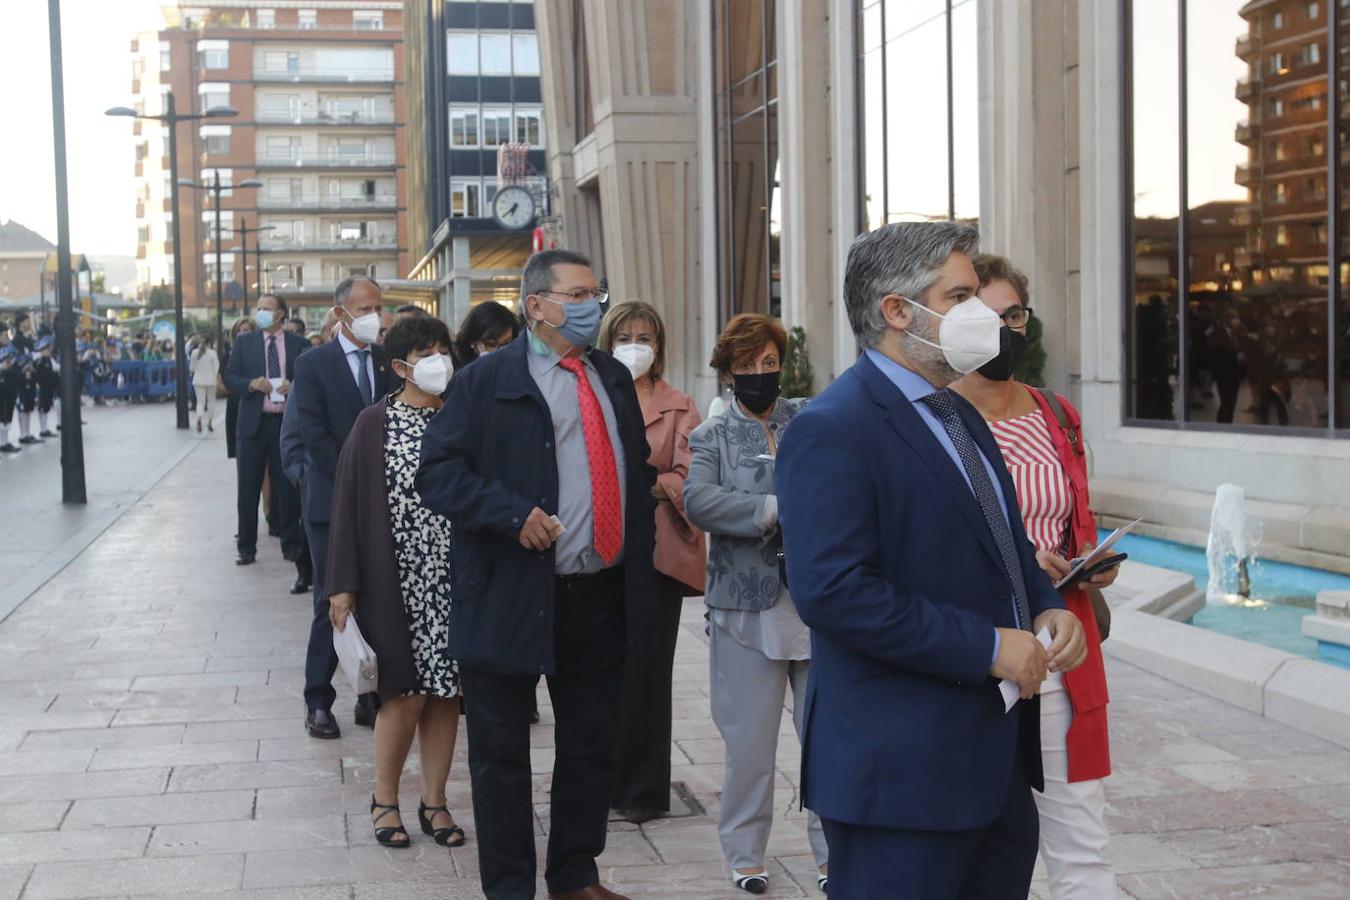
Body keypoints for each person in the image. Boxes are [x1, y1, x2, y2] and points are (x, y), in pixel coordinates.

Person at [774, 222, 1087, 900]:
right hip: (901, 778)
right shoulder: (832, 428)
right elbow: (834, 594)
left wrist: (1047, 604)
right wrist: (986, 648)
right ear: (896, 311)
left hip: (992, 766)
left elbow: (1002, 544)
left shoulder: (959, 414)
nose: (982, 317)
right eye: (961, 296)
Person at [417, 249, 657, 900]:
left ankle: (576, 875)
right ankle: (511, 888)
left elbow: (632, 472)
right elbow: (436, 476)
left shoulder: (608, 377)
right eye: (577, 295)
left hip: (597, 595)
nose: (591, 306)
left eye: (595, 293)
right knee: (500, 758)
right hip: (509, 593)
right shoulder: (484, 381)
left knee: (589, 748)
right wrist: (509, 512)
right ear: (537, 305)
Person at [951, 254, 1117, 899]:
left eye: (1013, 314)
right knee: (979, 845)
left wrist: (1084, 561)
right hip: (975, 650)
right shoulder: (935, 419)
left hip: (1062, 644)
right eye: (987, 317)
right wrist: (1018, 561)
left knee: (1081, 839)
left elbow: (1073, 514)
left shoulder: (1057, 414)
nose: (1004, 329)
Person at [683, 313, 827, 895]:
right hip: (746, 608)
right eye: (747, 367)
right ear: (727, 373)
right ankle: (745, 854)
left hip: (817, 604)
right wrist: (769, 510)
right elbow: (698, 500)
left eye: (769, 364)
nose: (760, 376)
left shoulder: (811, 420)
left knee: (827, 738)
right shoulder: (710, 437)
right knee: (749, 745)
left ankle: (834, 854)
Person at [326, 315, 465, 850]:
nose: (439, 361)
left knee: (446, 695)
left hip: (453, 580)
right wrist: (343, 585)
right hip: (396, 579)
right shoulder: (373, 423)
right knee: (402, 695)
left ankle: (435, 802)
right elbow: (348, 506)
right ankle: (385, 799)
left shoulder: (461, 418)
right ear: (400, 366)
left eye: (443, 349)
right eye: (426, 352)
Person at [596, 301, 705, 824]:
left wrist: (652, 486)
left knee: (647, 668)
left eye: (645, 336)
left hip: (657, 555)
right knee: (598, 670)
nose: (635, 345)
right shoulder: (590, 394)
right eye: (624, 336)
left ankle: (641, 790)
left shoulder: (679, 405)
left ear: (659, 345)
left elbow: (696, 476)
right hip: (597, 552)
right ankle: (596, 780)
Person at [292, 275, 393, 740]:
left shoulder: (387, 364)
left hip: (382, 502)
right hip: (331, 501)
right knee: (332, 599)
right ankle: (318, 700)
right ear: (340, 313)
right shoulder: (313, 364)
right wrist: (357, 480)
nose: (375, 317)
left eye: (378, 307)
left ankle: (369, 696)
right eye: (365, 309)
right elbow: (313, 433)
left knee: (376, 596)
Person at [223, 295, 307, 567]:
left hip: (286, 425)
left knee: (287, 487)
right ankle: (246, 547)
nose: (260, 313)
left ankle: (290, 543)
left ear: (281, 314)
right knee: (247, 488)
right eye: (258, 308)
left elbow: (311, 380)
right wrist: (251, 384)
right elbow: (230, 377)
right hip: (253, 425)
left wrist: (294, 386)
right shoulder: (244, 343)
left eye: (266, 309)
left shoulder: (299, 344)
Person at [451, 300, 519, 368]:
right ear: (473, 343)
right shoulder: (459, 371)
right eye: (491, 344)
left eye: (506, 343)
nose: (500, 351)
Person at [223, 318, 256, 460]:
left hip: (253, 404)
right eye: (238, 331)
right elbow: (223, 382)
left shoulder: (258, 354)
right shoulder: (229, 356)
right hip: (235, 405)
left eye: (246, 330)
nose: (241, 334)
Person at [189, 335, 220, 433]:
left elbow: (191, 368)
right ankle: (209, 422)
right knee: (211, 401)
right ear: (209, 343)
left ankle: (199, 419)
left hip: (198, 380)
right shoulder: (212, 353)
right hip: (211, 380)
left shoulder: (194, 353)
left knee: (200, 402)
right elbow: (217, 367)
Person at [33, 336, 60, 438]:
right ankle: (43, 429)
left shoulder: (49, 359)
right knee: (43, 407)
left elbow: (56, 367)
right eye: (48, 349)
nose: (50, 350)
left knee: (46, 407)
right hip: (43, 387)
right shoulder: (40, 359)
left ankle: (45, 428)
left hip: (49, 386)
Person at [0, 345, 20, 453]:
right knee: (3, 421)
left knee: (7, 421)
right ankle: (3, 443)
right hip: (3, 400)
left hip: (10, 399)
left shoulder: (12, 371)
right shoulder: (3, 372)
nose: (10, 361)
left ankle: (5, 442)